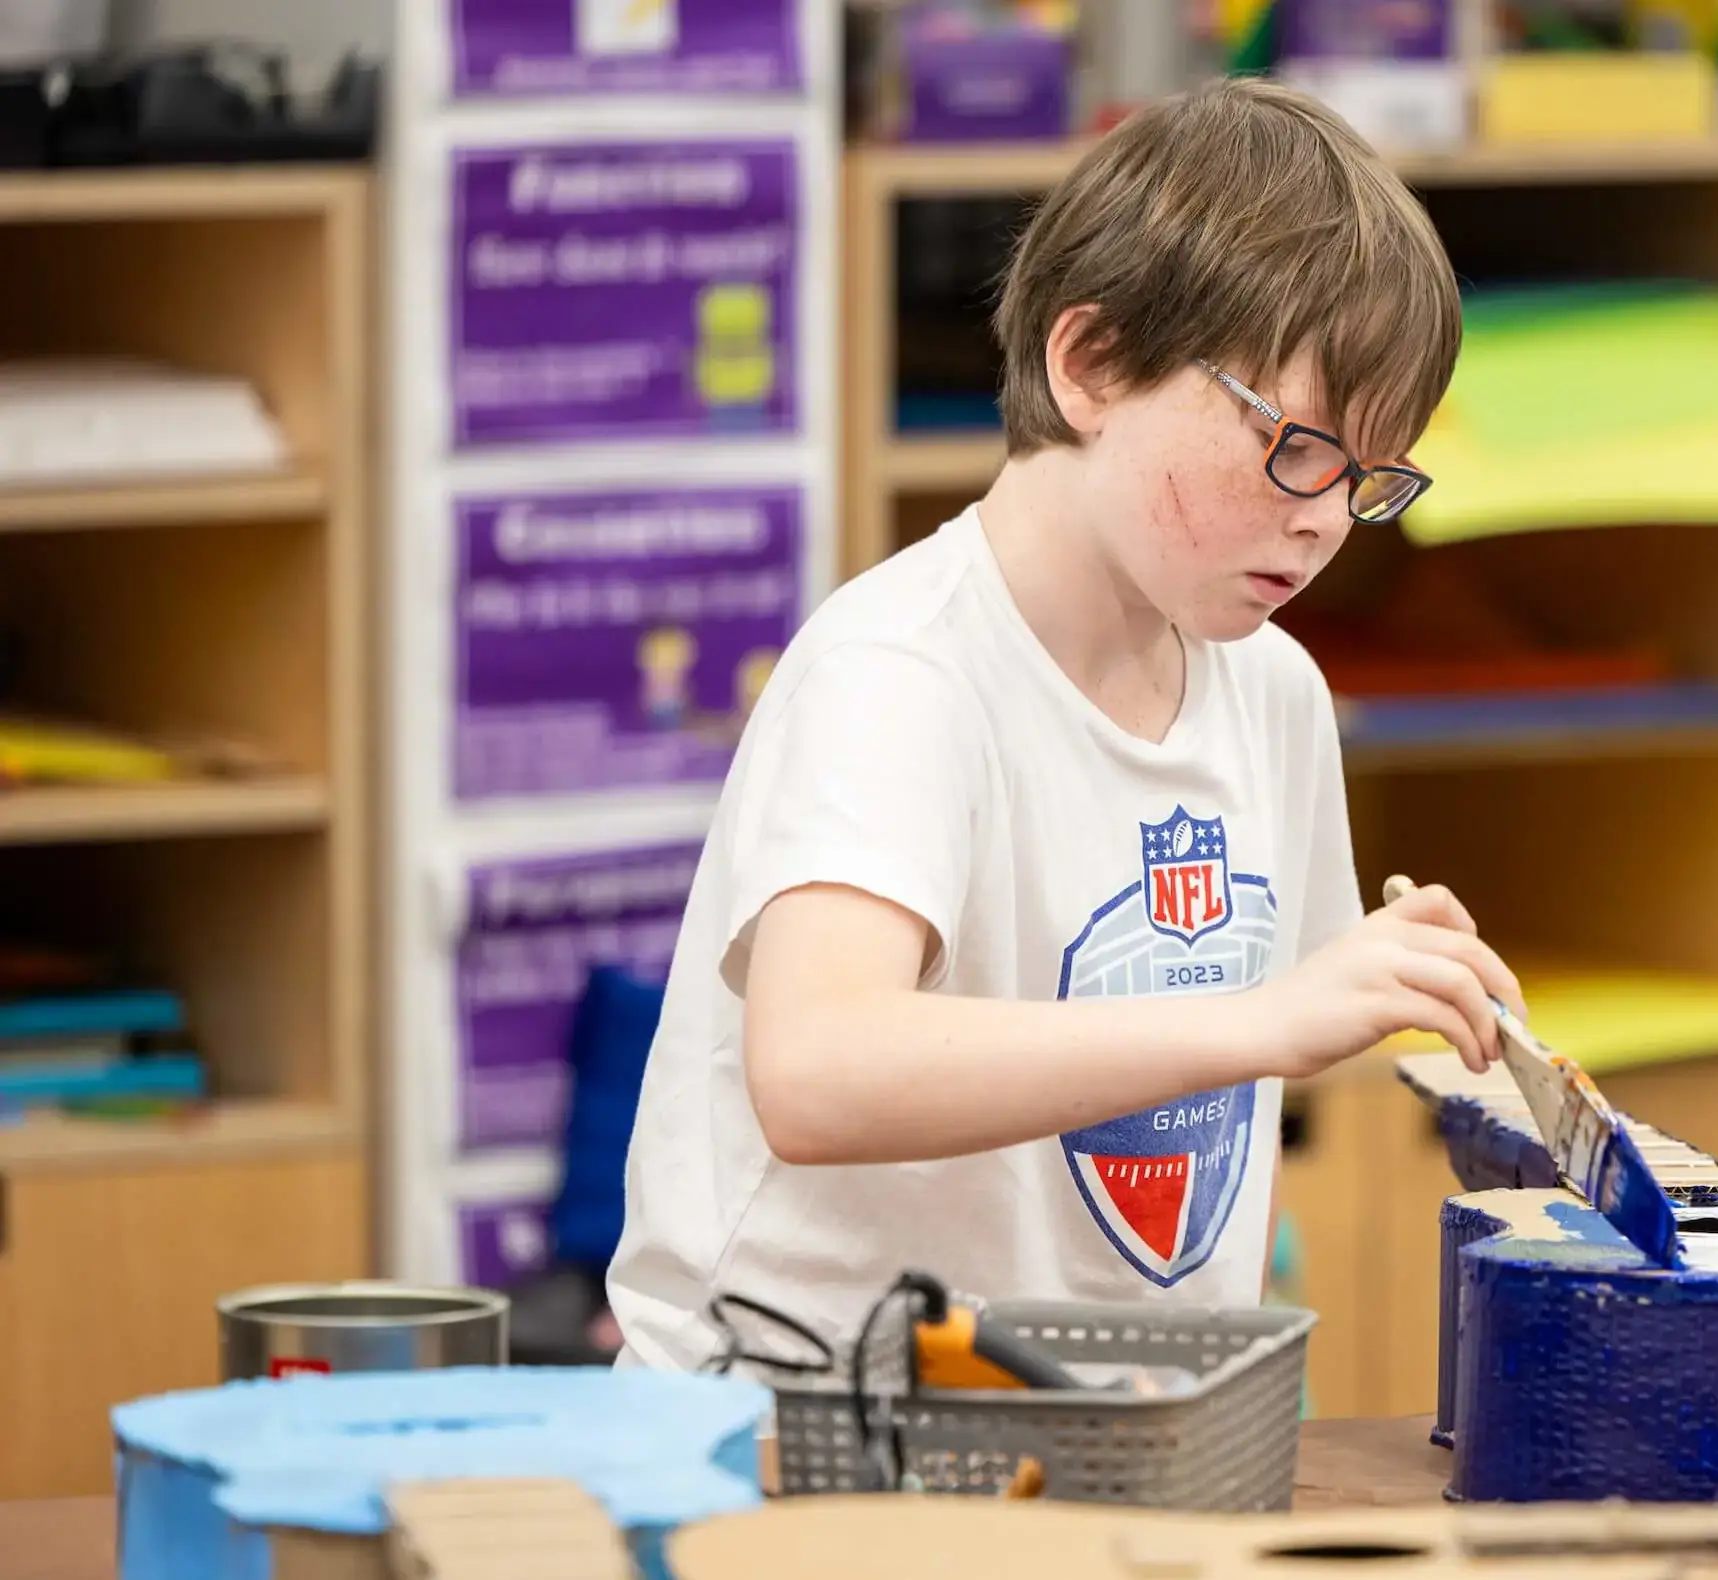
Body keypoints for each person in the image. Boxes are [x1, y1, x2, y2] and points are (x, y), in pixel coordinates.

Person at [605, 76, 1525, 1372]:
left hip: (1106, 1437)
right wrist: (1266, 1019)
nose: (1326, 519)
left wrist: (1369, 992)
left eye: (1368, 477)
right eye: (1299, 447)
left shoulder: (1272, 691)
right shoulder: (900, 674)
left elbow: (1240, 1068)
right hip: (798, 1437)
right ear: (1090, 365)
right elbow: (817, 1068)